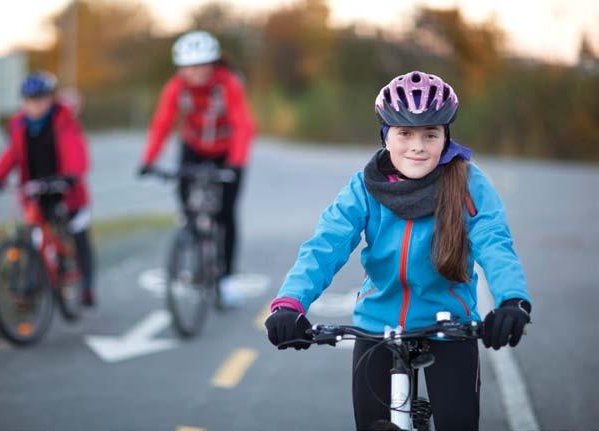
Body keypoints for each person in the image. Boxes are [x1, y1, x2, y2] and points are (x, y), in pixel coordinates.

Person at [264, 71, 532, 430]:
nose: (417, 146)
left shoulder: (468, 182)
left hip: (449, 326)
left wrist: (513, 301)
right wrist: (289, 304)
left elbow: (494, 241)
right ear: (385, 135)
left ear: (446, 136)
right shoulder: (365, 186)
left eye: (430, 134)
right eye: (405, 133)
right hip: (378, 325)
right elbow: (325, 246)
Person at [138, 30, 256, 292]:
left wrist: (236, 163)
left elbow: (242, 125)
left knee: (226, 214)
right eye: (188, 67)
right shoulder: (176, 88)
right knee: (184, 194)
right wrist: (148, 160)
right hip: (193, 146)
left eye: (201, 65)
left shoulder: (228, 84)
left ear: (213, 64)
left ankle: (226, 277)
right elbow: (162, 123)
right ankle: (192, 233)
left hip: (226, 150)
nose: (195, 72)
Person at [0, 72, 96, 307]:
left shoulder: (63, 120)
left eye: (41, 98)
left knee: (78, 233)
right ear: (23, 101)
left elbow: (75, 149)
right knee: (35, 235)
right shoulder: (19, 125)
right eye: (29, 99)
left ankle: (86, 284)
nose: (35, 104)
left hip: (66, 188)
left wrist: (71, 176)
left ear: (50, 99)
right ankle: (32, 287)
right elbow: (12, 155)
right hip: (35, 188)